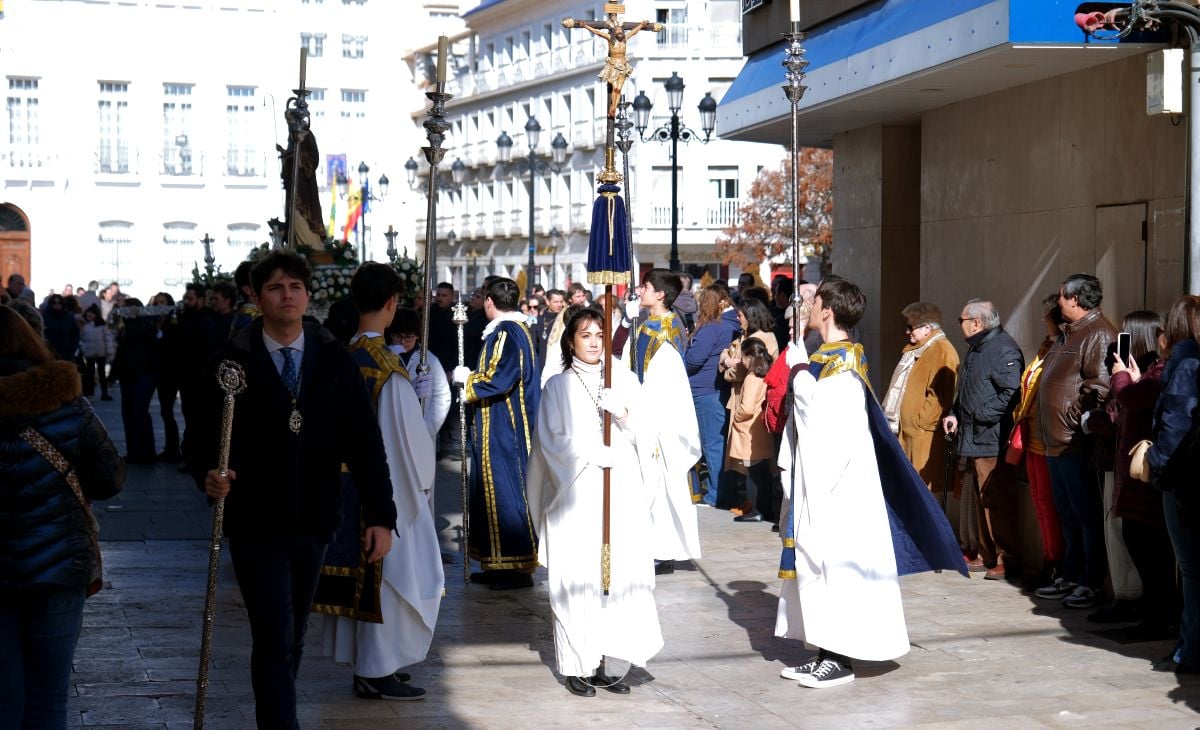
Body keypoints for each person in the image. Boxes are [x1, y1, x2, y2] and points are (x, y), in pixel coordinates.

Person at [185, 250, 397, 728]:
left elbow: (366, 443)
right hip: (256, 521)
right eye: (276, 288)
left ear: (307, 296)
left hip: (315, 519)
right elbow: (198, 437)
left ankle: (276, 715)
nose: (287, 295)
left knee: (294, 634)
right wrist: (209, 474)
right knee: (275, 635)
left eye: (295, 287)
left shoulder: (334, 360)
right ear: (257, 297)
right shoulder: (231, 364)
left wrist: (381, 514)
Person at [775, 277, 965, 688]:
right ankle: (824, 649)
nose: (807, 306)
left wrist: (799, 373)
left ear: (827, 310)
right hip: (824, 487)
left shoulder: (841, 365)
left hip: (841, 493)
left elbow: (827, 425)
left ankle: (840, 658)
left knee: (837, 568)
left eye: (815, 299)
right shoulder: (827, 357)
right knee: (818, 566)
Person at [314, 263, 441, 702]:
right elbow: (403, 440)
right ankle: (375, 667)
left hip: (346, 486)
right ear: (391, 304)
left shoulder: (344, 353)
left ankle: (371, 664)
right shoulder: (386, 366)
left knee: (369, 579)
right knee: (391, 578)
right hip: (385, 492)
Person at [527, 306, 663, 697]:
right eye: (585, 335)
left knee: (611, 581)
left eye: (599, 335)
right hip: (576, 497)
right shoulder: (558, 385)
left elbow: (648, 433)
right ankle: (575, 665)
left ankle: (603, 661)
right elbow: (551, 442)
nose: (593, 343)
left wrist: (622, 415)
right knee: (578, 580)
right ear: (571, 340)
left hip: (617, 496)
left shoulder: (623, 378)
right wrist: (590, 453)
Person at [0, 306, 126, 727]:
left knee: (3, 699)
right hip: (58, 569)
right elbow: (110, 479)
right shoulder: (67, 403)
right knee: (49, 696)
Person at [1033, 274, 1117, 609]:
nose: (1058, 301)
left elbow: (1099, 386)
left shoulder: (1098, 333)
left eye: (1063, 296)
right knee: (1067, 512)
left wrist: (1074, 421)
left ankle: (1091, 581)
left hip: (1074, 441)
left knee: (1085, 513)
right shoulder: (1071, 333)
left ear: (1077, 300)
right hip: (1056, 440)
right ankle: (1071, 573)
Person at [452, 277, 541, 591]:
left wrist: (468, 382)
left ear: (489, 301)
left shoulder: (505, 332)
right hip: (499, 423)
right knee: (493, 493)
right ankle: (497, 562)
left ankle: (512, 566)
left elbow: (499, 378)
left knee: (504, 492)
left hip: (503, 427)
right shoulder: (515, 330)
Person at [1086, 310, 1171, 630]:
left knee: (1145, 543)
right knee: (1134, 537)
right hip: (1128, 464)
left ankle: (1150, 613)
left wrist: (1122, 377)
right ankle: (1146, 611)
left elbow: (1129, 403)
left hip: (1144, 467)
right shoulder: (1151, 371)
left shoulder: (1161, 369)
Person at [1134, 295, 1200, 673]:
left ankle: (1189, 651)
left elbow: (1177, 421)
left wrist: (1156, 464)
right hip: (1187, 475)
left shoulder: (1185, 361)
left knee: (1190, 569)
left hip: (1182, 480)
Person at [621, 269, 702, 575]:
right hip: (647, 415)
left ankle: (663, 550)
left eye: (645, 287)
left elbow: (664, 380)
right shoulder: (649, 326)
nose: (639, 291)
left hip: (660, 421)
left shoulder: (664, 332)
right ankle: (657, 547)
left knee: (662, 487)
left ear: (660, 295)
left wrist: (644, 415)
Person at [942, 299, 1024, 581]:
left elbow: (1012, 391)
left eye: (961, 320)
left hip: (991, 437)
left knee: (996, 499)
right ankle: (988, 554)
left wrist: (980, 415)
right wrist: (955, 413)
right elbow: (966, 389)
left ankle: (1006, 557)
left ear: (976, 322)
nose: (960, 325)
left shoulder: (1003, 348)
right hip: (973, 436)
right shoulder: (978, 347)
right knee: (981, 500)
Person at [1010, 294, 1067, 586]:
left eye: (1045, 316)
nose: (1042, 321)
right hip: (1032, 433)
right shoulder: (1048, 346)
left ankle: (1055, 561)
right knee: (1039, 500)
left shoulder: (1063, 347)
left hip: (1049, 436)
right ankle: (1049, 556)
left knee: (1049, 502)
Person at [882, 302, 958, 496]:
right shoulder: (917, 348)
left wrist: (921, 422)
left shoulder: (942, 349)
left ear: (927, 328)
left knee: (923, 493)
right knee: (909, 491)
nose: (907, 332)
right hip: (909, 433)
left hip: (923, 435)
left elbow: (942, 393)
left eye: (911, 327)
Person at [719, 297, 779, 522]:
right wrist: (728, 360)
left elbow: (738, 371)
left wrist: (727, 365)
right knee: (755, 467)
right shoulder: (766, 337)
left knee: (754, 467)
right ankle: (753, 505)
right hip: (753, 410)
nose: (738, 318)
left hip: (748, 415)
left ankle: (757, 507)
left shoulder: (755, 346)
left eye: (741, 315)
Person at [685, 284, 741, 508]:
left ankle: (716, 494)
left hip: (704, 390)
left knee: (712, 444)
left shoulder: (711, 328)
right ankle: (721, 490)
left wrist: (684, 353)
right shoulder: (731, 325)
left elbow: (694, 360)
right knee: (719, 443)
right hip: (717, 389)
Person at [386, 307, 452, 466]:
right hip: (390, 427)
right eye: (398, 336)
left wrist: (428, 427)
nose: (402, 342)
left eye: (408, 337)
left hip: (421, 428)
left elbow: (442, 396)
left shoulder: (429, 359)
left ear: (417, 335)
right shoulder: (385, 357)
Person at [111, 299, 160, 465]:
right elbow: (122, 350)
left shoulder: (144, 324)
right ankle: (134, 451)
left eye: (125, 308)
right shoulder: (126, 325)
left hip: (143, 373)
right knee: (129, 413)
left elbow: (136, 342)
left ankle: (145, 452)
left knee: (139, 411)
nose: (122, 311)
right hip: (129, 374)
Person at [79, 304, 115, 401]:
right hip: (89, 353)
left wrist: (109, 351)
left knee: (102, 374)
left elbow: (108, 338)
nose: (89, 315)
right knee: (90, 374)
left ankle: (104, 393)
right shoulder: (83, 325)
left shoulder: (102, 326)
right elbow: (80, 338)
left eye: (92, 313)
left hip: (100, 353)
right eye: (88, 313)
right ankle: (90, 393)